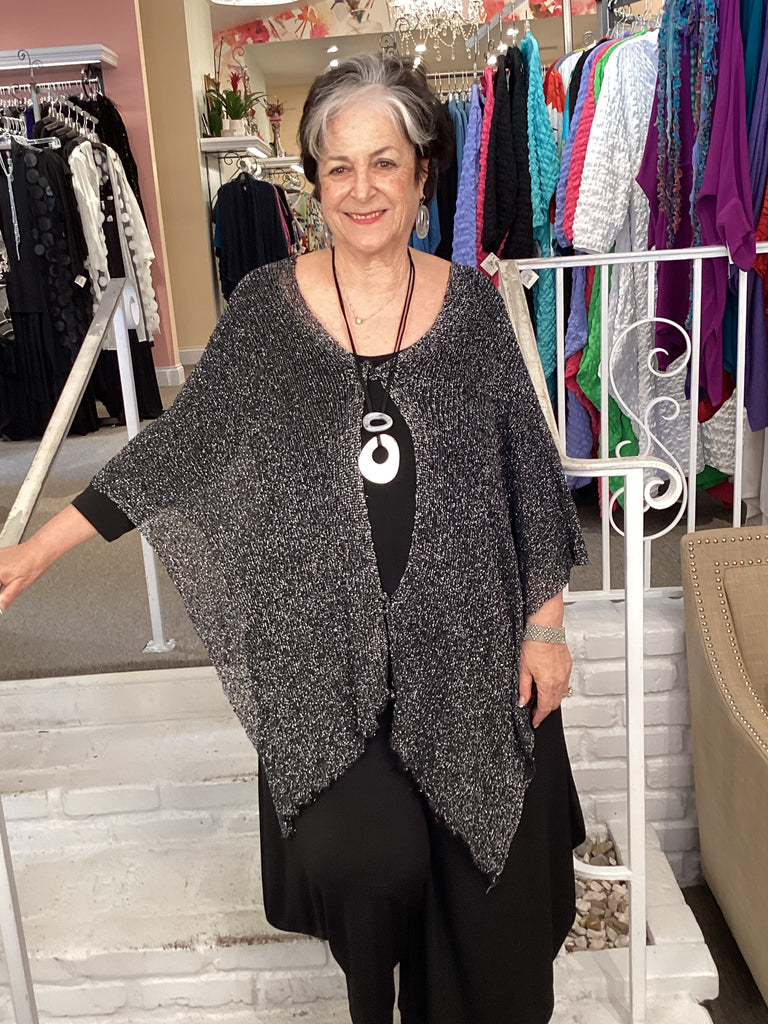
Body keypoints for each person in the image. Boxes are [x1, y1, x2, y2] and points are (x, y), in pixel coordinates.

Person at [0, 56, 588, 1024]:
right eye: (338, 166)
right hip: (327, 664)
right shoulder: (267, 309)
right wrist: (38, 549)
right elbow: (179, 449)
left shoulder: (475, 309)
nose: (362, 188)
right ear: (312, 181)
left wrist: (547, 626)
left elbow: (527, 475)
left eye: (384, 162)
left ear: (423, 172)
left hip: (473, 657)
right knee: (369, 865)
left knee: (495, 924)